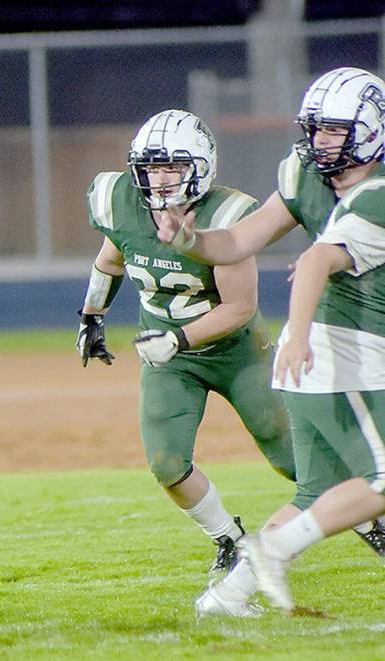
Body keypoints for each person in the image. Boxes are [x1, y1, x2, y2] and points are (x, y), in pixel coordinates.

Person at [181, 67, 385, 614]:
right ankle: (273, 550)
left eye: (332, 130)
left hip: (324, 353)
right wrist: (193, 239)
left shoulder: (363, 191)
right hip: (343, 353)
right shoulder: (368, 195)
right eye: (314, 129)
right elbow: (268, 245)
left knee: (315, 494)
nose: (318, 141)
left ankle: (228, 596)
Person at [77, 109, 296, 591]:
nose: (159, 178)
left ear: (201, 166)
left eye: (172, 167)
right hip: (169, 360)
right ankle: (229, 538)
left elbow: (239, 308)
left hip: (236, 352)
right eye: (151, 167)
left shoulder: (225, 214)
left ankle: (365, 516)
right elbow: (112, 255)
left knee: (292, 459)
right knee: (166, 463)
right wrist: (92, 315)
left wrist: (176, 338)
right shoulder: (122, 203)